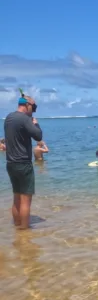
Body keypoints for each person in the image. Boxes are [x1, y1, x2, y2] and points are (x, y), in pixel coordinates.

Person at [4, 94, 43, 229]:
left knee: (17, 197)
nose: (33, 110)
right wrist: (35, 123)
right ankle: (25, 231)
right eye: (33, 107)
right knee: (26, 200)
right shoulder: (25, 119)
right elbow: (38, 136)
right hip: (23, 163)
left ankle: (17, 226)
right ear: (27, 105)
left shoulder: (9, 118)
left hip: (10, 163)